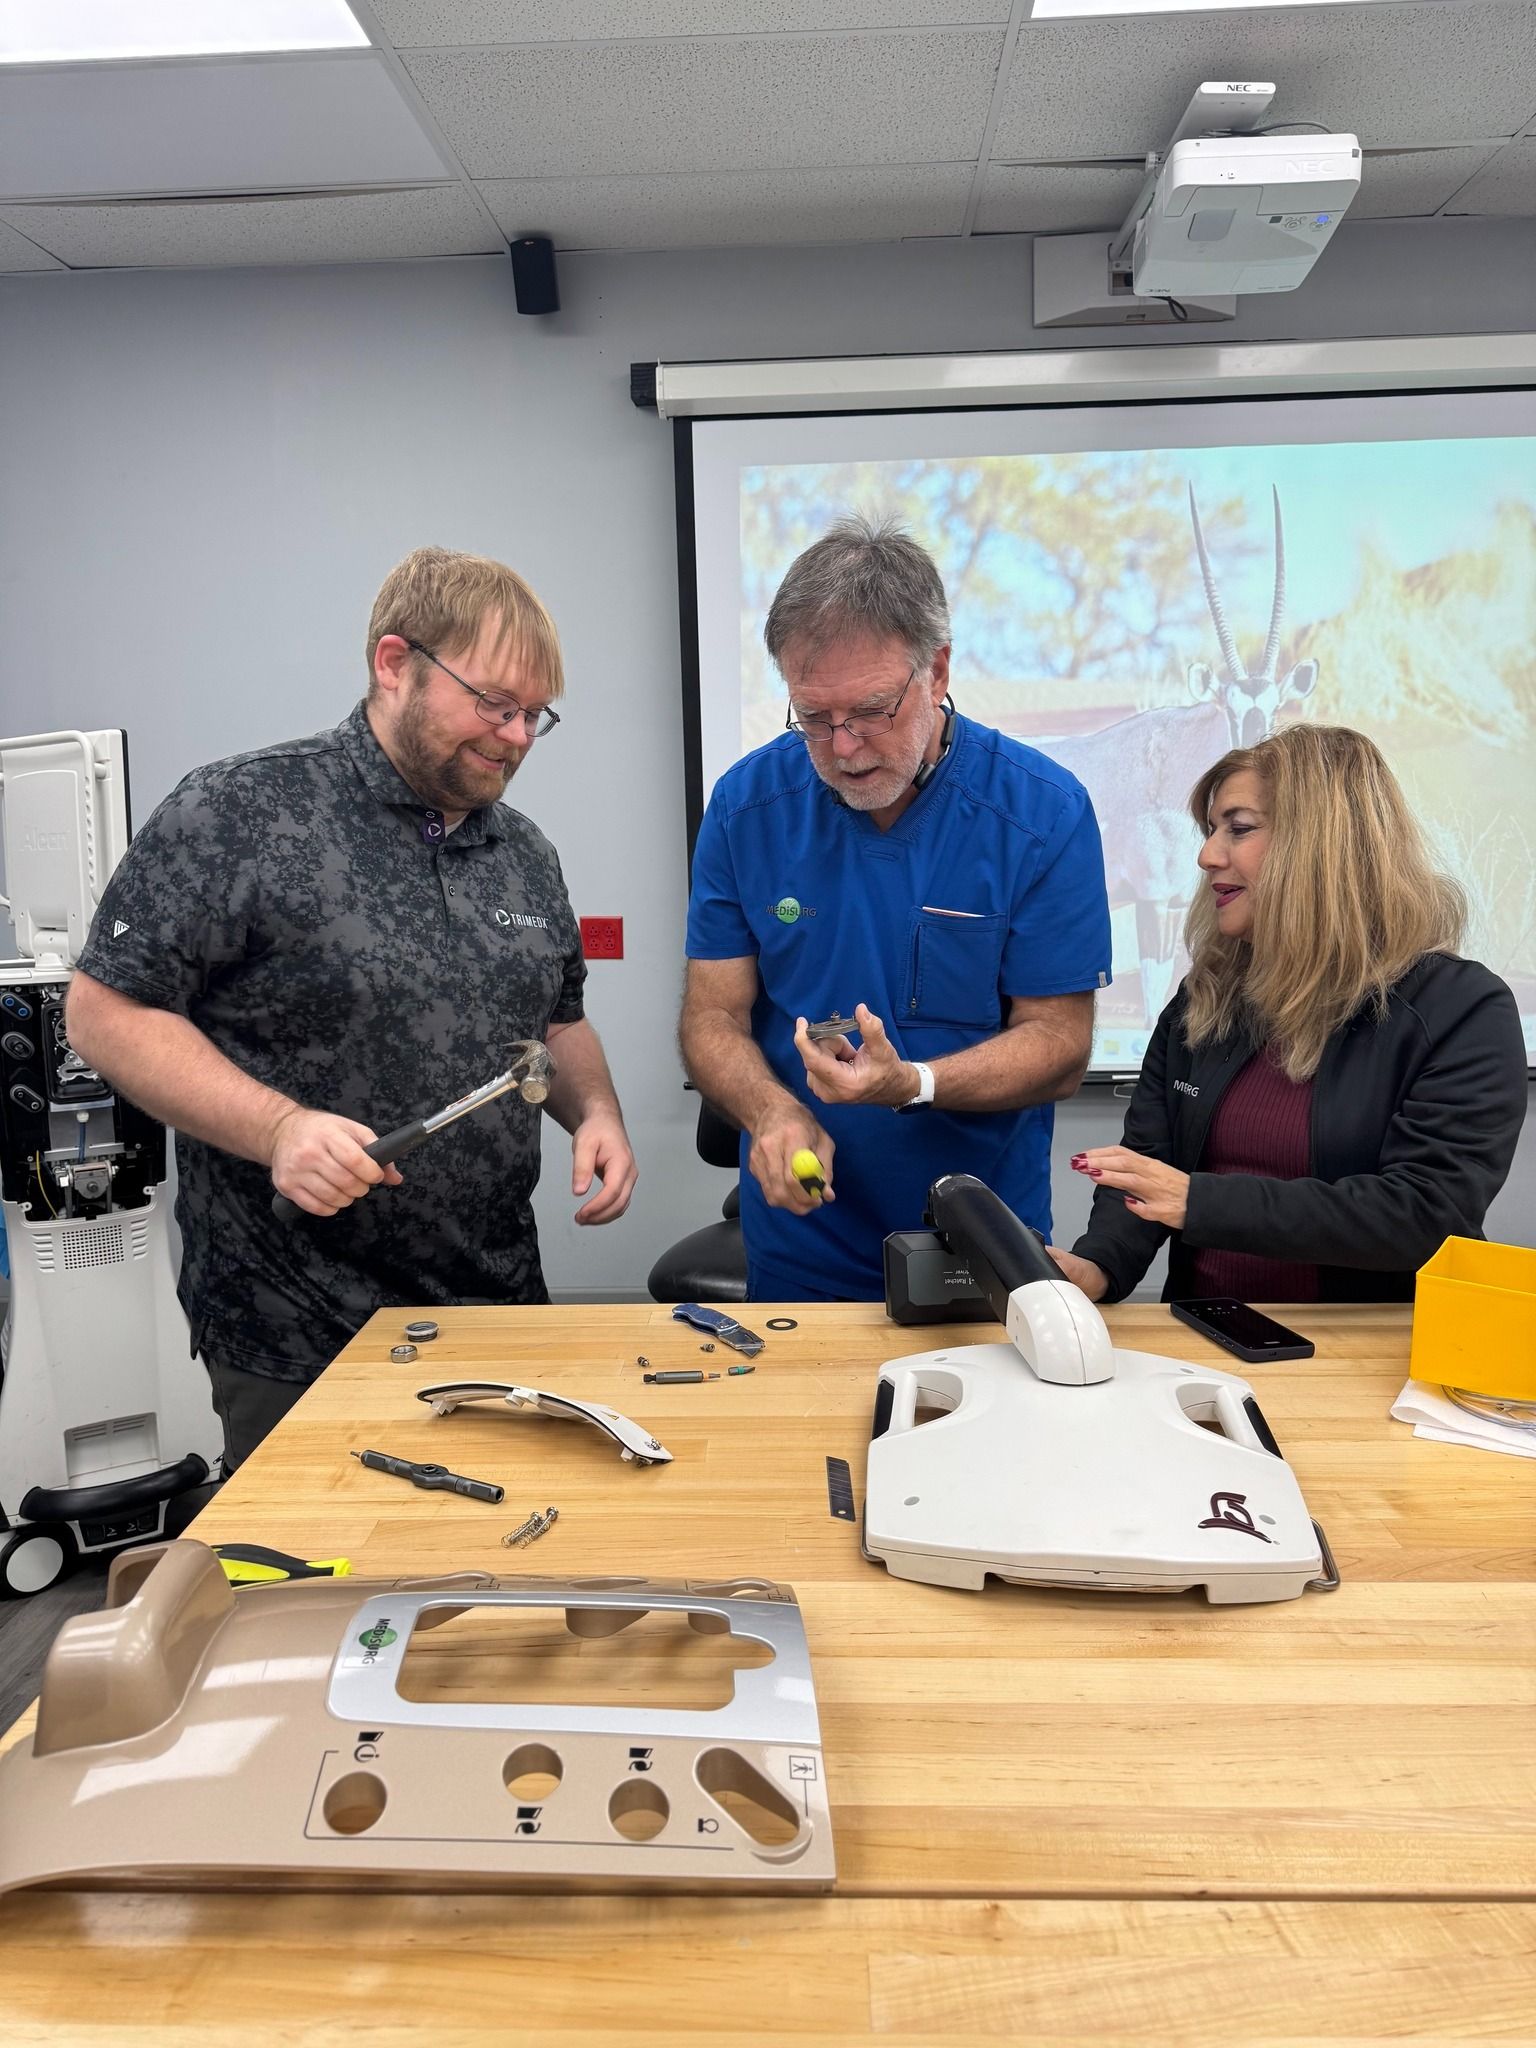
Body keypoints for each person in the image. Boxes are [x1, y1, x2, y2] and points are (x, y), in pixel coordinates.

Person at [67, 546, 637, 1468]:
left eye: (536, 714)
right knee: (317, 1602)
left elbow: (557, 1022)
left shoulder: (524, 852)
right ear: (394, 662)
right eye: (494, 703)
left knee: (487, 1590)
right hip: (298, 1322)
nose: (517, 736)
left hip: (495, 1308)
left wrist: (598, 1112)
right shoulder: (238, 812)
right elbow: (103, 1013)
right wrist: (279, 1128)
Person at [680, 514, 1111, 1300]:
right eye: (814, 717)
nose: (842, 747)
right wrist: (771, 1110)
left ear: (937, 671)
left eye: (872, 711)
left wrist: (909, 1083)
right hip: (803, 1246)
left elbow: (1061, 1045)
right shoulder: (747, 806)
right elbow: (712, 1018)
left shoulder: (1043, 813)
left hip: (980, 1241)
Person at [1050, 723, 1526, 1306]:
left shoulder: (1464, 1010)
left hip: (1373, 1357)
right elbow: (1151, 1166)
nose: (1205, 855)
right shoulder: (1203, 1002)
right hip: (1205, 1339)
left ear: (1323, 844)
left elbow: (1424, 1216)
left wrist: (1201, 1202)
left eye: (1239, 828)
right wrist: (1095, 1267)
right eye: (1210, 829)